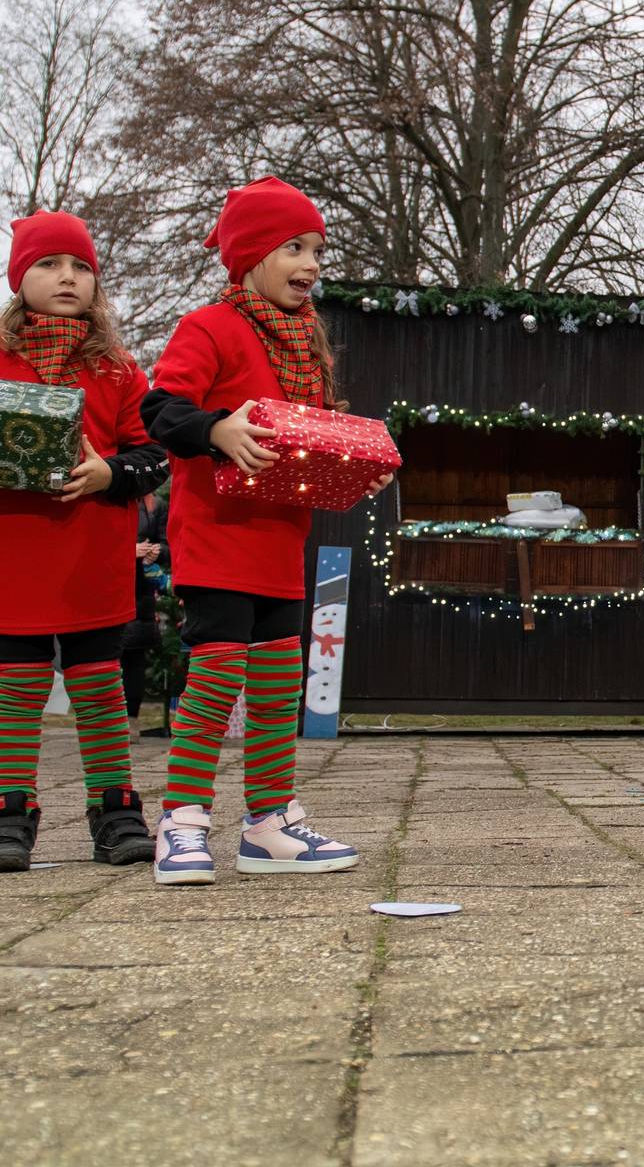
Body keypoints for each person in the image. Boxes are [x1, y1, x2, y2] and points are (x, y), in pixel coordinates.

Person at [142, 178, 389, 884]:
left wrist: (353, 468)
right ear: (249, 253)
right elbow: (161, 409)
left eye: (317, 249)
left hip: (282, 543)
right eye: (293, 247)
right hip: (217, 539)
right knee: (218, 678)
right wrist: (215, 428)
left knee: (280, 683)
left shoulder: (307, 342)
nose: (311, 263)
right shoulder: (208, 326)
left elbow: (305, 438)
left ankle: (269, 823)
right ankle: (182, 824)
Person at [0, 211, 168, 871]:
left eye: (81, 268)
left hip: (95, 554)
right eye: (49, 264)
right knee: (16, 685)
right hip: (16, 554)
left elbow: (155, 453)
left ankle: (116, 809)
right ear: (20, 278)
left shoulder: (120, 369)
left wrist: (109, 473)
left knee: (99, 684)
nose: (67, 277)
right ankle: (11, 810)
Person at [122, 490, 170, 732]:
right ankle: (103, 721)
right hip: (109, 585)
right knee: (102, 657)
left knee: (134, 659)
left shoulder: (155, 505)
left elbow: (168, 544)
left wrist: (156, 551)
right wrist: (128, 551)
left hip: (139, 592)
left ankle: (131, 720)